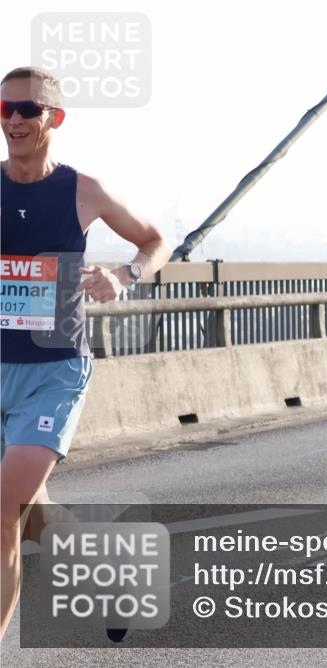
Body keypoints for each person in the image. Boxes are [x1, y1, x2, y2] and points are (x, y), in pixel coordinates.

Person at [0, 66, 171, 638]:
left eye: (29, 110)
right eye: (5, 110)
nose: (15, 120)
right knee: (28, 515)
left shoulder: (84, 191)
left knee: (3, 512)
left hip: (53, 371)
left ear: (55, 118)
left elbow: (155, 240)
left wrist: (123, 275)